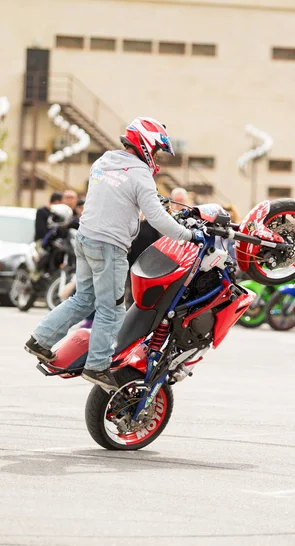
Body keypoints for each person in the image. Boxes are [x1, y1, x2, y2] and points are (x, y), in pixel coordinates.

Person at [24, 117, 204, 391]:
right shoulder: (140, 174)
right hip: (109, 247)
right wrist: (189, 235)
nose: (155, 158)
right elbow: (156, 218)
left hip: (85, 240)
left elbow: (117, 196)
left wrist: (151, 199)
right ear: (146, 145)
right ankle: (98, 367)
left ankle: (40, 339)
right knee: (111, 310)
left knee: (83, 299)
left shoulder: (104, 161)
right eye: (156, 151)